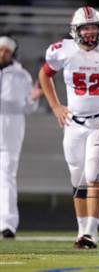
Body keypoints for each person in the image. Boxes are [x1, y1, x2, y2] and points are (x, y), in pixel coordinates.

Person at [39, 7, 99, 249]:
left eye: (94, 27)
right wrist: (55, 106)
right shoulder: (62, 50)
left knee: (93, 174)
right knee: (77, 177)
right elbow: (44, 74)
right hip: (73, 122)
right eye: (86, 27)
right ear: (76, 30)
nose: (91, 32)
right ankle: (82, 231)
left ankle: (92, 233)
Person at [0, 36, 41, 238]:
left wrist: (33, 99)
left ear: (13, 53)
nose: (2, 54)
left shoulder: (21, 75)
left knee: (7, 177)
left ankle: (7, 224)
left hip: (10, 134)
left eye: (6, 50)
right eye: (0, 50)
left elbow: (29, 106)